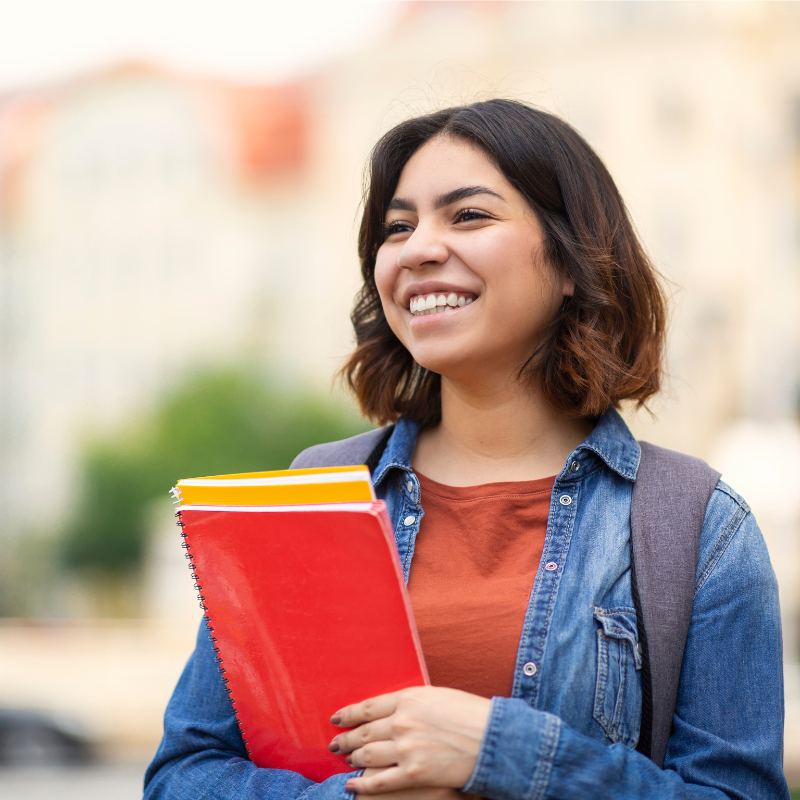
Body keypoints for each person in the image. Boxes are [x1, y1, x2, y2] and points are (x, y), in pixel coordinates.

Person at [144, 100, 788, 799]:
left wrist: (500, 752)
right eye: (398, 227)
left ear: (573, 259)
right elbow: (184, 774)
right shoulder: (310, 495)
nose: (419, 248)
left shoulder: (700, 529)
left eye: (469, 216)